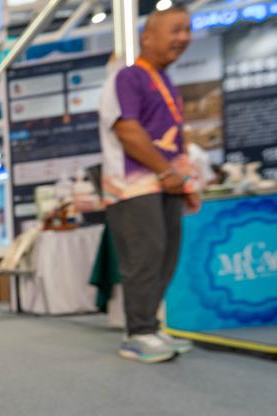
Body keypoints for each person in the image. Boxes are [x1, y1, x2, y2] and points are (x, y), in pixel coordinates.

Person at [99, 5, 197, 363]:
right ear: (148, 36)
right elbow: (127, 130)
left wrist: (182, 179)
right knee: (143, 258)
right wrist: (166, 172)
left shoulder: (165, 80)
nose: (183, 37)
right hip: (133, 186)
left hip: (165, 183)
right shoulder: (127, 77)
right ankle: (137, 333)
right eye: (175, 30)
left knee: (165, 257)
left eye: (187, 30)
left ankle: (150, 326)